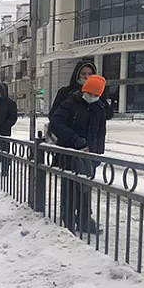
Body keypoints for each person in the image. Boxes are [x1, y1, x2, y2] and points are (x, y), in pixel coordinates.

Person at [50, 75, 107, 234]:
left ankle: (84, 220)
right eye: (91, 93)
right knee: (70, 188)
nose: (93, 97)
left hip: (89, 156)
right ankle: (67, 221)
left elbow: (100, 132)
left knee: (85, 189)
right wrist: (75, 140)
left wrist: (97, 154)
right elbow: (56, 123)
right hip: (69, 153)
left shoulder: (98, 108)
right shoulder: (70, 104)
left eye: (97, 95)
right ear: (84, 91)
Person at [49, 60, 113, 120]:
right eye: (83, 74)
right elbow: (53, 115)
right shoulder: (65, 92)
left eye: (90, 74)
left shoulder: (97, 92)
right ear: (77, 74)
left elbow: (108, 114)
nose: (87, 77)